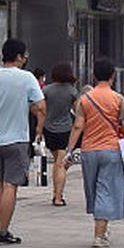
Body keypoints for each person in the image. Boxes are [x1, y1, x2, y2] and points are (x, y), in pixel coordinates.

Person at [0, 39, 44, 244]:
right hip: (17, 139)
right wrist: (39, 129)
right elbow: (41, 106)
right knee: (11, 185)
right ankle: (3, 232)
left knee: (2, 183)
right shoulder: (27, 77)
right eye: (25, 55)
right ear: (19, 56)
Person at [72, 57, 124, 248]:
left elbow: (78, 126)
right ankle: (99, 235)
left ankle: (102, 229)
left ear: (94, 75)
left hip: (89, 150)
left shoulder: (85, 99)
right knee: (106, 190)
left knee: (94, 190)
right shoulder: (118, 98)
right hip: (111, 149)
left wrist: (69, 149)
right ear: (112, 76)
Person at [40, 64, 79, 208]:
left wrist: (39, 130)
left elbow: (41, 110)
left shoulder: (46, 90)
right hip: (65, 129)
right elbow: (78, 112)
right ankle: (58, 197)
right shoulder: (72, 91)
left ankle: (56, 192)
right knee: (61, 164)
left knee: (58, 161)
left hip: (48, 129)